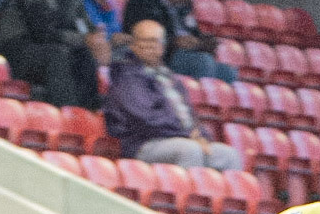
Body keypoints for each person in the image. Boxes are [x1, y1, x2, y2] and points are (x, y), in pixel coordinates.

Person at [104, 19, 242, 169]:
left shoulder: (169, 77)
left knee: (229, 155)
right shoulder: (126, 76)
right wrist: (188, 135)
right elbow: (146, 119)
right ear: (134, 44)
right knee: (190, 150)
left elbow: (189, 114)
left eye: (156, 42)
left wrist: (201, 136)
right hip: (144, 143)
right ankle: (188, 192)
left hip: (180, 138)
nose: (151, 47)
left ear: (162, 47)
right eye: (146, 41)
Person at [0, 0, 106, 110]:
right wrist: (84, 39)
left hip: (46, 49)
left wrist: (98, 41)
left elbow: (84, 26)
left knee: (84, 55)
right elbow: (42, 33)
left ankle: (87, 112)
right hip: (15, 49)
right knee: (56, 56)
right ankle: (68, 113)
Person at [121, 0, 235, 83]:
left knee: (229, 72)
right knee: (204, 62)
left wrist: (203, 42)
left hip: (188, 54)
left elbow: (193, 31)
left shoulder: (185, 3)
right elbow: (138, 36)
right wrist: (174, 42)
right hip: (164, 56)